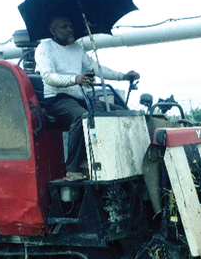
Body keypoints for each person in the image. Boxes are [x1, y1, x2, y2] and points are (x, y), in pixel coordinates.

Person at [35, 15, 139, 181]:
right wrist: (75, 79)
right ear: (53, 31)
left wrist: (123, 76)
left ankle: (121, 158)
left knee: (118, 112)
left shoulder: (76, 48)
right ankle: (72, 168)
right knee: (81, 116)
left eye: (70, 25)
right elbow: (48, 77)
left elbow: (95, 67)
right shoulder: (45, 48)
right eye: (64, 26)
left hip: (80, 97)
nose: (70, 29)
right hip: (56, 99)